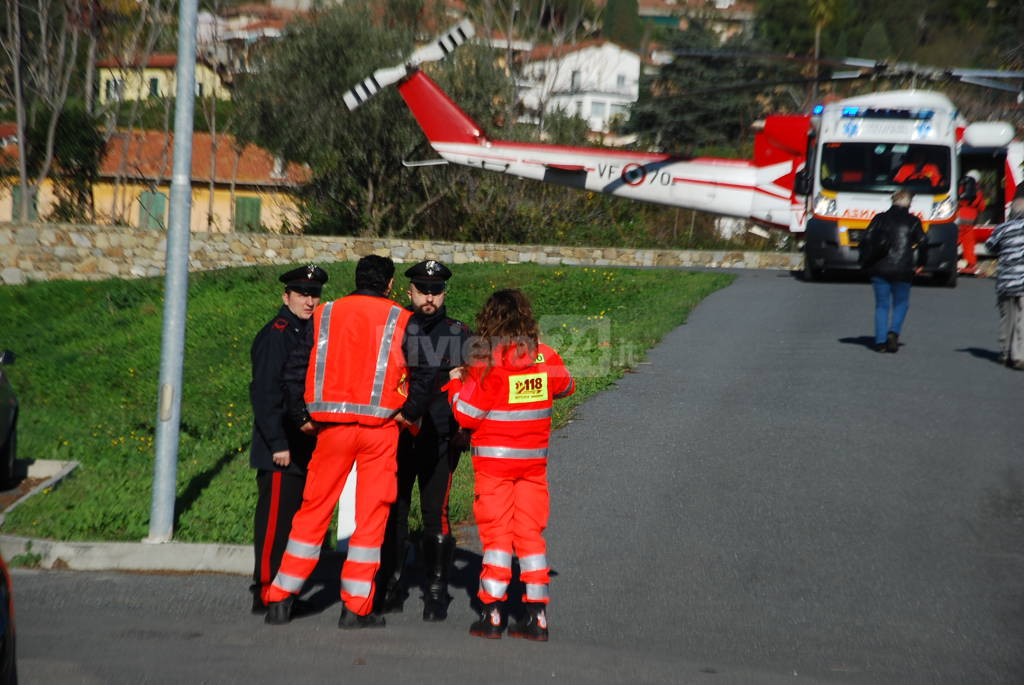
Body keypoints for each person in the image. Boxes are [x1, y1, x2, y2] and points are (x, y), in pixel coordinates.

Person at [262, 255, 432, 628]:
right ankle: (356, 607)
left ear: (355, 279)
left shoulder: (325, 313)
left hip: (331, 431)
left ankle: (280, 599)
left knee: (312, 512)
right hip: (380, 431)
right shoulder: (402, 319)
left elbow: (295, 369)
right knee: (371, 517)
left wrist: (301, 416)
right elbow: (424, 374)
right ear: (389, 285)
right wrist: (408, 412)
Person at [446, 289, 575, 642]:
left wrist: (456, 383)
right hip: (532, 464)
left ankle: (492, 612)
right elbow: (567, 386)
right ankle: (537, 616)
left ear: (489, 320)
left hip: (494, 466)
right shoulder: (542, 357)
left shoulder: (486, 361)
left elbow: (466, 415)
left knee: (497, 535)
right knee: (530, 534)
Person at [376, 260, 472, 621]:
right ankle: (392, 585)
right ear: (410, 292)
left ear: (444, 293)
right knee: (394, 510)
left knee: (436, 515)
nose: (430, 297)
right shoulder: (396, 327)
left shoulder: (460, 333)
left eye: (436, 290)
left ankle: (436, 591)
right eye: (423, 290)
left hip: (441, 438)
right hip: (398, 436)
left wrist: (467, 431)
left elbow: (477, 386)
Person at [248, 264, 327, 614]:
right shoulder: (278, 333)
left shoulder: (307, 331)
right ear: (286, 296)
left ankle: (283, 586)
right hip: (281, 447)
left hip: (304, 444)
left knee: (294, 522)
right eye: (302, 294)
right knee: (275, 524)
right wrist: (278, 442)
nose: (310, 301)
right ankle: (265, 588)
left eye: (314, 294)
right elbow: (265, 393)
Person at [859, 190, 928, 353]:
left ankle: (880, 341)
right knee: (901, 303)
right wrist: (921, 263)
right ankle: (893, 332)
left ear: (893, 201)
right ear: (909, 203)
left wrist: (866, 258)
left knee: (881, 305)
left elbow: (866, 238)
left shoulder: (879, 218)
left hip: (879, 267)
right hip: (903, 268)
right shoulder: (913, 221)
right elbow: (923, 241)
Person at [984, 193, 1024, 369]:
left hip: (1006, 281)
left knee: (1007, 317)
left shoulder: (1002, 228)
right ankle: (1019, 355)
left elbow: (990, 246)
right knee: (1022, 319)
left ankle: (1004, 351)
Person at [957, 170, 986, 275]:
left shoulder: (960, 188)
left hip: (959, 220)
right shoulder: (978, 191)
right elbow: (982, 207)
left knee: (954, 241)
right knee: (969, 244)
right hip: (969, 223)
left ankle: (947, 260)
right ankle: (970, 264)